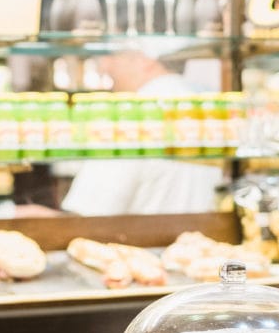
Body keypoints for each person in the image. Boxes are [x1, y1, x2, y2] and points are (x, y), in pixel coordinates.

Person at [60, 47, 224, 216]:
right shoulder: (210, 102)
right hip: (212, 238)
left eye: (112, 56)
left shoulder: (130, 115)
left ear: (146, 60)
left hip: (139, 241)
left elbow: (89, 217)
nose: (103, 66)